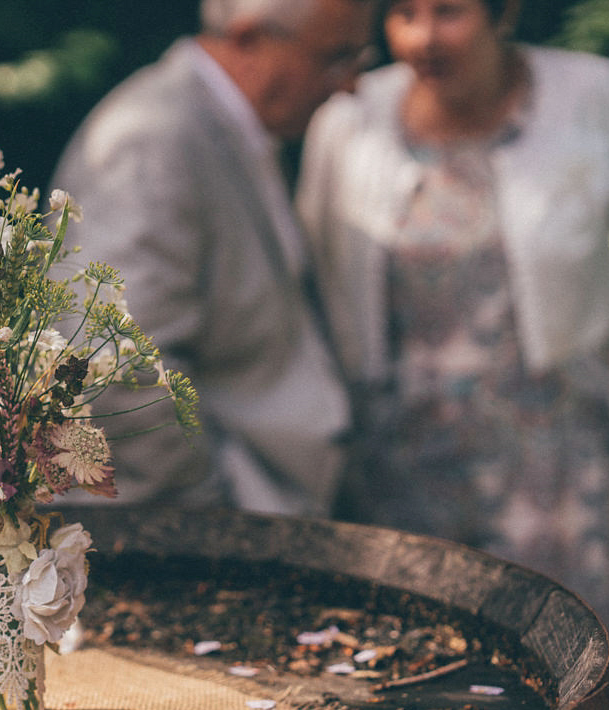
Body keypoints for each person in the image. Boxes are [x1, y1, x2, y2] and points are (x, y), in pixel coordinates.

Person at [296, 0, 609, 647]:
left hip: (555, 463)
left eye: (448, 11)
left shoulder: (589, 96)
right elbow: (311, 269)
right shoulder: (349, 117)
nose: (423, 37)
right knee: (414, 669)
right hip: (397, 463)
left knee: (567, 661)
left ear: (503, 13)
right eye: (402, 13)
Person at [50, 0, 376, 515]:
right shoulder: (151, 139)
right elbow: (109, 368)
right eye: (337, 57)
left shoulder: (225, 125)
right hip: (206, 530)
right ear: (248, 40)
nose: (351, 84)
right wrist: (215, 518)